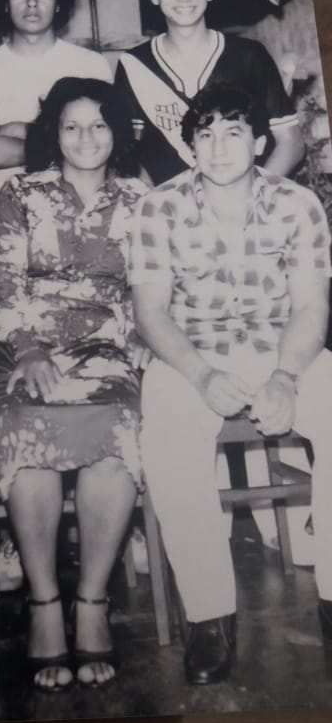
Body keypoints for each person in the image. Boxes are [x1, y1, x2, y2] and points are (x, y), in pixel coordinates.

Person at [131, 84, 332, 686]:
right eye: (206, 134)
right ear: (190, 147)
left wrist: (285, 378)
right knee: (167, 436)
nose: (219, 147)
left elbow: (311, 307)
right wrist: (202, 375)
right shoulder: (158, 208)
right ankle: (209, 618)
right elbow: (151, 314)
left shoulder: (299, 204)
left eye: (234, 132)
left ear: (260, 142)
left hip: (283, 350)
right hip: (191, 356)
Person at [0, 77, 150, 692]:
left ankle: (91, 601)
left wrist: (141, 343)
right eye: (71, 126)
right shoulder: (21, 192)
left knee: (117, 420)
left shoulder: (140, 198)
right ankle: (43, 602)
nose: (86, 137)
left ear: (117, 131)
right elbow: (4, 284)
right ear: (54, 133)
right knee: (25, 416)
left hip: (106, 344)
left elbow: (151, 287)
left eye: (98, 124)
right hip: (20, 340)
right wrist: (31, 350)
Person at [115, 0, 305, 186]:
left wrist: (252, 195)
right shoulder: (134, 63)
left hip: (245, 197)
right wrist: (160, 201)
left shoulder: (249, 55)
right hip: (171, 202)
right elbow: (129, 152)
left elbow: (291, 143)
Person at [0, 0, 112, 208]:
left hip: (87, 211)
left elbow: (108, 141)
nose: (32, 4)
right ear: (6, 4)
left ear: (58, 4)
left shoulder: (92, 65)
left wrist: (16, 131)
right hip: (13, 216)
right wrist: (66, 139)